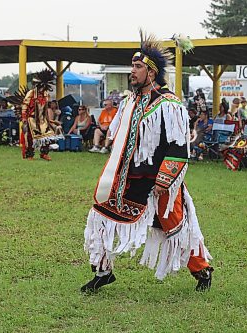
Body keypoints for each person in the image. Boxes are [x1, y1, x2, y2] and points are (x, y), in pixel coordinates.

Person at [82, 32, 213, 293]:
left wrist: (166, 178)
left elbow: (178, 146)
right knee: (100, 216)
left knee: (175, 225)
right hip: (127, 179)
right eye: (132, 65)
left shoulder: (168, 104)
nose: (132, 71)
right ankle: (103, 270)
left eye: (138, 66)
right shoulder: (130, 102)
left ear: (151, 73)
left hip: (158, 181)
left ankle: (201, 270)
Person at [20, 69, 60, 161]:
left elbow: (45, 108)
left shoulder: (46, 94)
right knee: (30, 137)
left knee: (47, 135)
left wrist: (49, 119)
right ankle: (29, 154)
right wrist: (24, 118)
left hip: (42, 119)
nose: (43, 89)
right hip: (32, 119)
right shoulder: (31, 93)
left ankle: (44, 153)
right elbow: (25, 105)